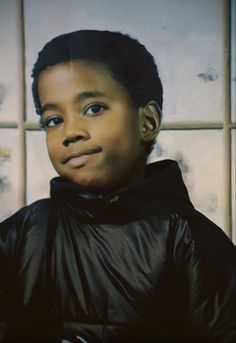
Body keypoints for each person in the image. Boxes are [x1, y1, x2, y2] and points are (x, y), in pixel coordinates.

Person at [0, 30, 235, 342]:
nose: (70, 132)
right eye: (53, 120)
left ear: (147, 121)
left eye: (94, 108)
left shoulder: (188, 240)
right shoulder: (27, 231)